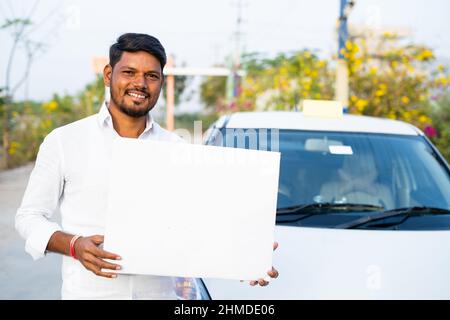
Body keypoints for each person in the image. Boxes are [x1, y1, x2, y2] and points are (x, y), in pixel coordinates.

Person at [15, 33, 278, 299]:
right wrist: (74, 245)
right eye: (129, 72)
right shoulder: (64, 141)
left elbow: (197, 223)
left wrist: (244, 256)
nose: (140, 83)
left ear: (161, 83)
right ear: (108, 75)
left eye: (151, 76)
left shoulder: (177, 148)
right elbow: (28, 218)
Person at [319, 151, 394, 209]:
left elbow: (391, 218)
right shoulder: (328, 189)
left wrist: (352, 184)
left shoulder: (384, 191)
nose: (358, 169)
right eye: (352, 163)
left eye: (364, 168)